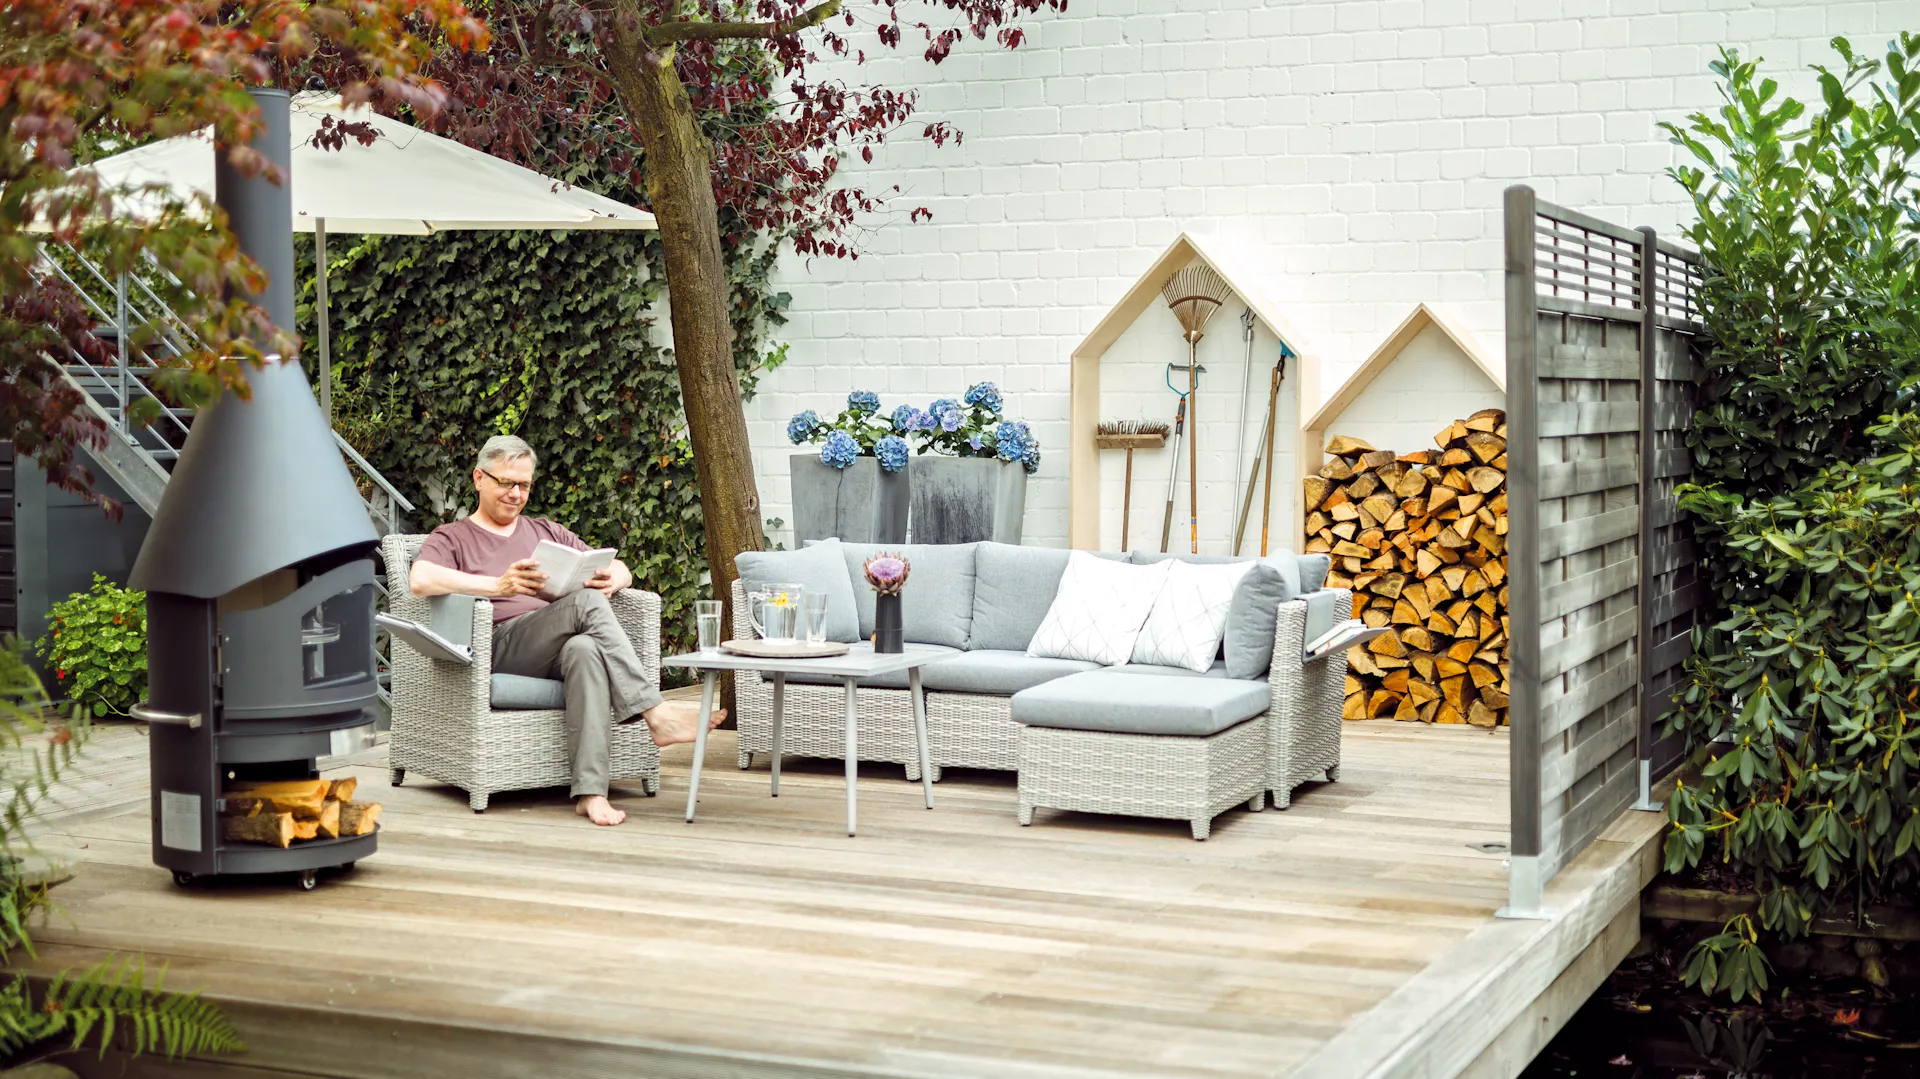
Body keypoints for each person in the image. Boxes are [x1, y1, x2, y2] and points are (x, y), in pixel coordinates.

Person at [409, 435, 721, 826]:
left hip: (552, 645)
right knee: (587, 607)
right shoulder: (452, 536)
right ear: (479, 478)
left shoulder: (546, 531)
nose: (515, 494)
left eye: (523, 485)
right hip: (498, 645)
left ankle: (591, 793)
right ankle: (655, 713)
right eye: (506, 482)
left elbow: (615, 565)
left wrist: (615, 580)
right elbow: (419, 580)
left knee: (586, 650)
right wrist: (497, 586)